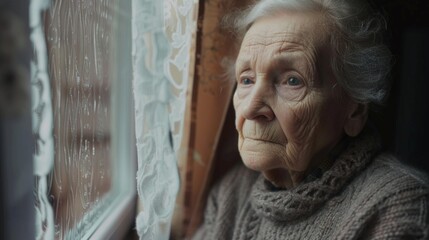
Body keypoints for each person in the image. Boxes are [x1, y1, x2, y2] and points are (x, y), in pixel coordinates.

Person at [192, 0, 429, 239]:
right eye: (246, 80)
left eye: (292, 81)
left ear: (354, 110)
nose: (251, 108)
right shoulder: (231, 194)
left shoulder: (397, 207)